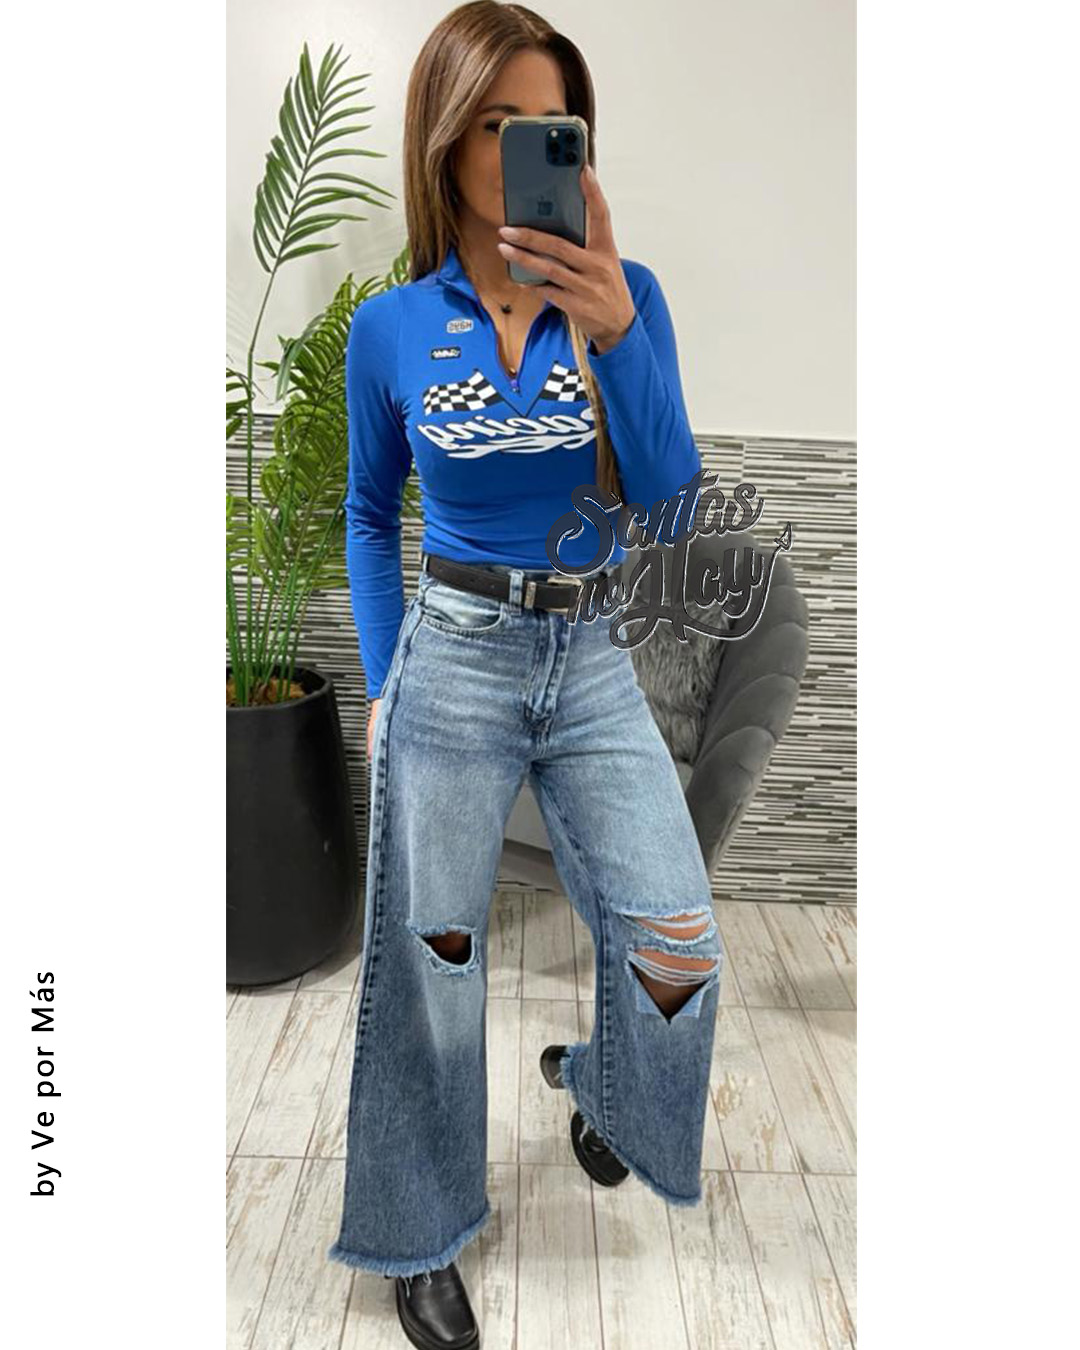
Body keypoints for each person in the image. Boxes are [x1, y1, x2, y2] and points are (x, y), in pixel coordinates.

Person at [327, 5, 725, 1347]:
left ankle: (606, 1082)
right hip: (453, 659)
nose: (519, 151)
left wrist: (615, 330)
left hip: (593, 653)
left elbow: (671, 503)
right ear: (445, 142)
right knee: (432, 959)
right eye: (493, 124)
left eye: (548, 127)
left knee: (679, 939)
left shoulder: (627, 295)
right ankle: (420, 1229)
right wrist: (385, 678)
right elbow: (367, 513)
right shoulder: (389, 328)